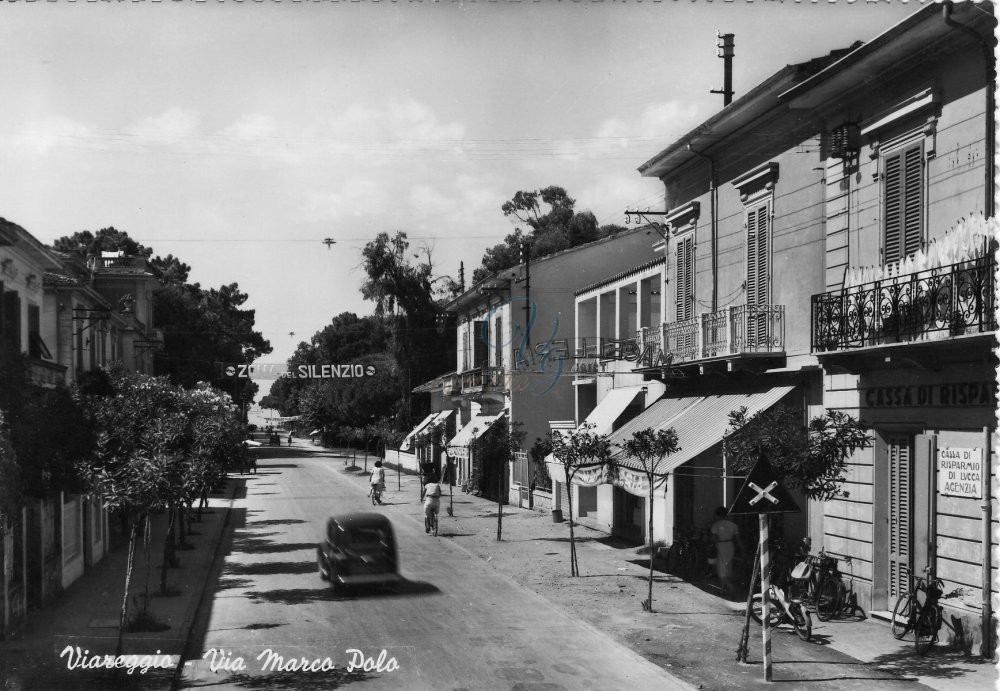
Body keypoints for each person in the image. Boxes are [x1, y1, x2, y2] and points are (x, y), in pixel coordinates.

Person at [710, 506, 741, 597]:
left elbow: (713, 538)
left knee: (721, 569)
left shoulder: (716, 524)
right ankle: (723, 589)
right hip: (730, 546)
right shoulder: (733, 525)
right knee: (728, 568)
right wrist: (742, 549)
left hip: (721, 546)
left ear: (718, 515)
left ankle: (730, 588)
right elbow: (738, 539)